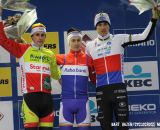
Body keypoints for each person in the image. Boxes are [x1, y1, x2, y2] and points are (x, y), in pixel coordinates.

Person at [86, 7, 159, 130]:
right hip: (101, 92)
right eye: (99, 24)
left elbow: (143, 36)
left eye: (105, 24)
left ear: (109, 25)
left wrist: (154, 19)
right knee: (105, 127)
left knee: (123, 127)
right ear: (96, 27)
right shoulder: (89, 46)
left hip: (118, 89)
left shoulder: (119, 39)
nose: (103, 27)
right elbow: (88, 68)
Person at [0, 7, 61, 130]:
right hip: (30, 100)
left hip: (47, 100)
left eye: (43, 35)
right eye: (37, 35)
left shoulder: (50, 54)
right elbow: (2, 40)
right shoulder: (23, 49)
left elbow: (57, 75)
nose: (40, 37)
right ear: (32, 36)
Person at [56, 27, 96, 130]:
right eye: (73, 40)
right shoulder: (61, 58)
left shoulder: (88, 59)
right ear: (69, 42)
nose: (76, 43)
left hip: (83, 103)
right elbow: (42, 55)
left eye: (78, 40)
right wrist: (57, 76)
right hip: (66, 103)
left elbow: (94, 79)